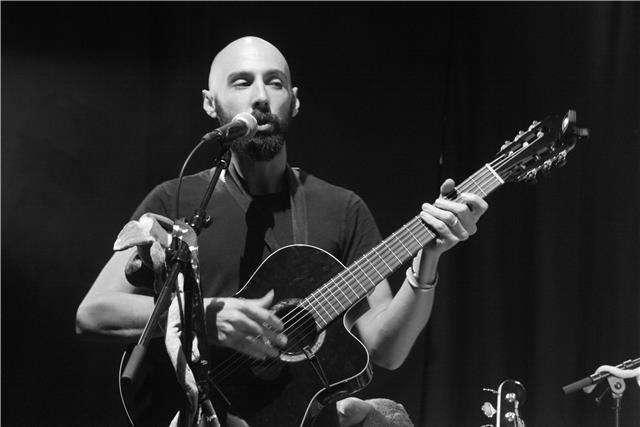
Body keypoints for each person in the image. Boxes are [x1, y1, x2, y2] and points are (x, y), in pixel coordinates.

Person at [76, 36, 488, 426]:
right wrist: (203, 316)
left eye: (275, 82)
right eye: (242, 82)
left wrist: (427, 260)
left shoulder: (342, 210)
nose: (260, 96)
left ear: (293, 101)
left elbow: (386, 349)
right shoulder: (175, 199)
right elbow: (93, 313)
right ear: (210, 103)